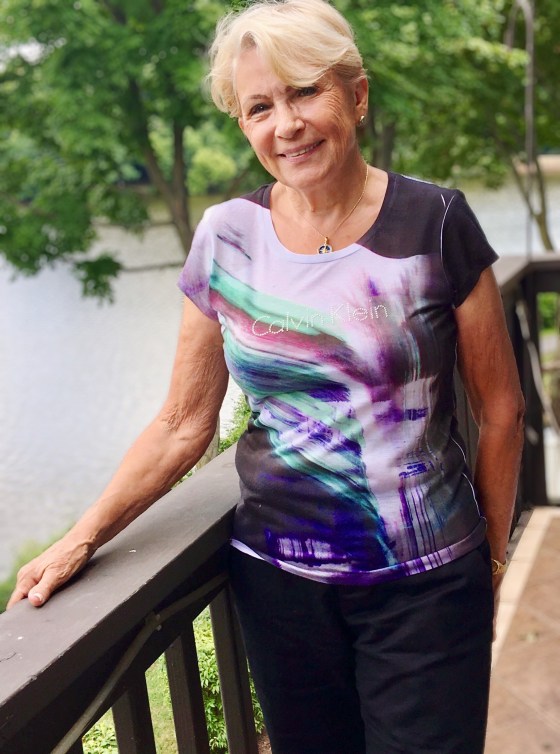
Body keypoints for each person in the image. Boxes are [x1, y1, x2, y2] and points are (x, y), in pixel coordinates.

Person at [9, 0, 525, 751]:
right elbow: (183, 424)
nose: (287, 124)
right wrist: (79, 539)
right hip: (282, 593)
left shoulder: (436, 222)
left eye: (306, 91)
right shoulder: (228, 238)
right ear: (243, 125)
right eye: (260, 107)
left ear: (356, 95)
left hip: (427, 585)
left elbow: (502, 408)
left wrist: (494, 556)